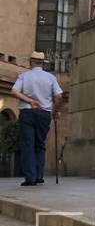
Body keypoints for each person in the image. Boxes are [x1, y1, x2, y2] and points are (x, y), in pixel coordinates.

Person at [11, 51, 63, 186]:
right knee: (40, 144)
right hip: (44, 113)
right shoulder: (50, 78)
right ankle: (39, 175)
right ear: (42, 63)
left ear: (31, 62)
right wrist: (55, 111)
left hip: (27, 112)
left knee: (28, 144)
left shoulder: (24, 76)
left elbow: (14, 91)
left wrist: (29, 100)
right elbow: (58, 96)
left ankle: (30, 177)